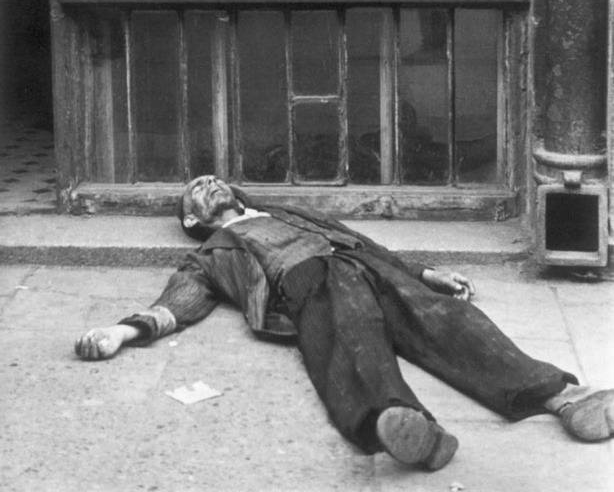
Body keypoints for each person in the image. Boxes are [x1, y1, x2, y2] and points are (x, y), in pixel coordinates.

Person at [75, 175, 614, 471]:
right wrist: (122, 331)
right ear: (192, 218)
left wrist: (428, 273)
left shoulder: (293, 214)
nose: (213, 183)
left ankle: (562, 397)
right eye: (199, 186)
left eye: (217, 179)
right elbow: (180, 300)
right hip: (308, 278)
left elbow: (371, 246)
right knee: (351, 337)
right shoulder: (214, 252)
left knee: (447, 319)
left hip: (364, 263)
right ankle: (408, 428)